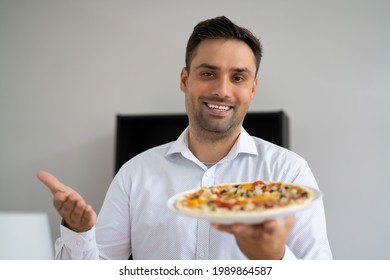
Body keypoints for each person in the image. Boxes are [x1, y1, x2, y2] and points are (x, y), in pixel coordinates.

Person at [37, 16, 332, 260]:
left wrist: (276, 257)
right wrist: (79, 232)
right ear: (184, 79)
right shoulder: (134, 175)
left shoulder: (289, 173)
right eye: (208, 73)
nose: (222, 90)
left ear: (253, 89)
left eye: (238, 78)